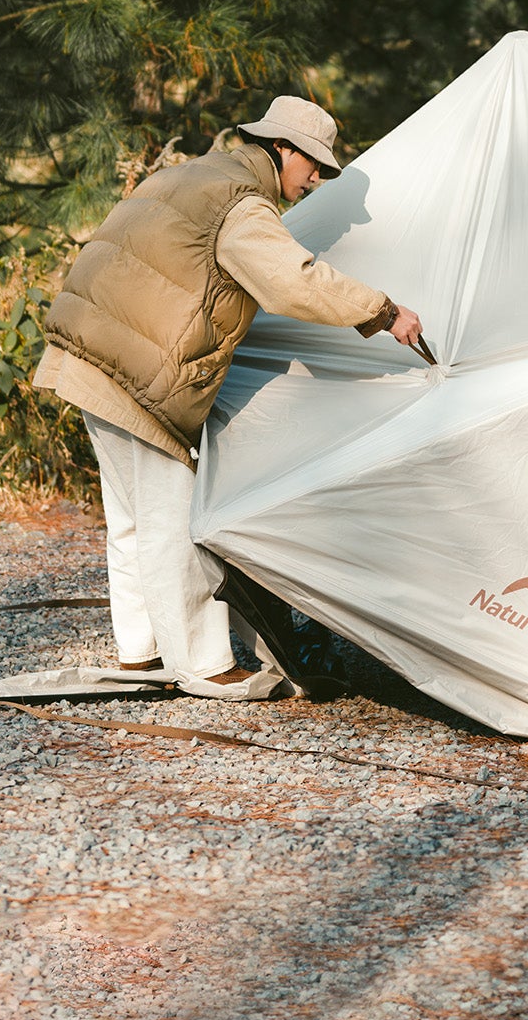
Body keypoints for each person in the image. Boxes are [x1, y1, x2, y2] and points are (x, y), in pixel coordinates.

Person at [33, 95, 422, 698]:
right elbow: (292, 282)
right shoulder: (241, 204)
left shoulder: (190, 172)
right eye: (313, 164)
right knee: (174, 520)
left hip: (86, 355)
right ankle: (205, 665)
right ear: (282, 150)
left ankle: (139, 652)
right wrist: (382, 310)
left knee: (131, 520)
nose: (316, 179)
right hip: (134, 374)